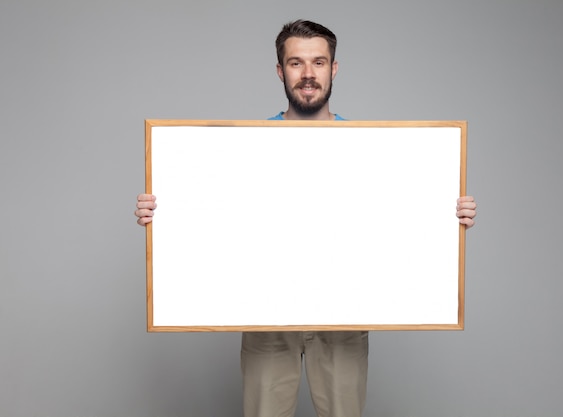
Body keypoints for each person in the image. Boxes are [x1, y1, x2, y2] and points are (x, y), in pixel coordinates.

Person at [135, 19, 477, 417]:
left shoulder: (372, 149)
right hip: (266, 314)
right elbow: (216, 220)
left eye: (319, 62)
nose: (308, 74)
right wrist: (163, 213)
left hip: (344, 315)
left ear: (334, 69)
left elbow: (395, 220)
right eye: (296, 63)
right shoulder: (242, 148)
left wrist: (446, 215)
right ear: (281, 71)